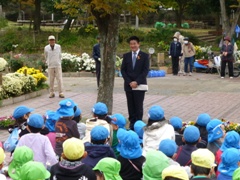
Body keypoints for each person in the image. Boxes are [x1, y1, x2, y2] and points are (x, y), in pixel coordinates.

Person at [121, 36, 149, 130]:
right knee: (130, 106)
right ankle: (132, 124)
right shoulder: (126, 56)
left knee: (138, 106)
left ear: (138, 44)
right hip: (129, 86)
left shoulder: (144, 56)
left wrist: (136, 82)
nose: (133, 46)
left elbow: (145, 71)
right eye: (131, 44)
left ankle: (139, 124)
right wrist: (129, 82)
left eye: (134, 43)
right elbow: (123, 70)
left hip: (139, 85)